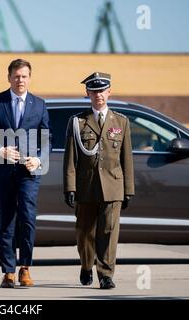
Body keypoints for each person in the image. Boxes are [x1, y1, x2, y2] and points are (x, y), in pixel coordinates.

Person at [0, 59, 51, 288]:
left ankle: (25, 269)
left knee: (28, 217)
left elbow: (48, 137)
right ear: (9, 77)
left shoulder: (39, 104)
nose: (20, 80)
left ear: (30, 78)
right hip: (2, 170)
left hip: (29, 171)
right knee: (7, 218)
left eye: (24, 76)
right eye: (16, 76)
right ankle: (8, 271)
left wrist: (39, 158)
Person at [63, 72, 135, 289]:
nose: (98, 95)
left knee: (109, 232)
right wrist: (70, 187)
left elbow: (127, 158)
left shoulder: (121, 122)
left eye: (102, 90)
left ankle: (106, 274)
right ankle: (86, 265)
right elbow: (70, 157)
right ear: (87, 93)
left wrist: (128, 189)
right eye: (94, 91)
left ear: (109, 92)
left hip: (113, 185)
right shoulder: (78, 122)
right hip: (86, 186)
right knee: (85, 233)